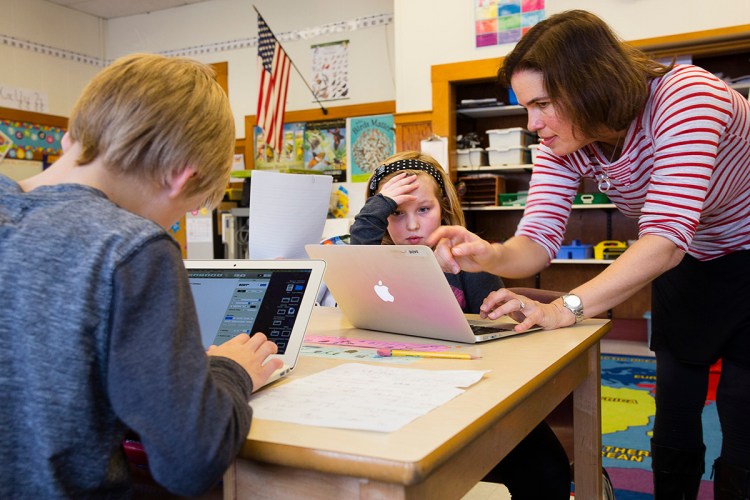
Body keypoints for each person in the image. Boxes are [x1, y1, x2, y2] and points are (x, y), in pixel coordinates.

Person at [427, 10, 750, 500]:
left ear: (591, 85)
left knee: (742, 410)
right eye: (524, 107)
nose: (532, 124)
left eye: (542, 104)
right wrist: (489, 254)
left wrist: (565, 307)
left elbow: (663, 238)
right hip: (686, 260)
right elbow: (535, 241)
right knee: (675, 409)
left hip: (741, 251)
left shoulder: (687, 97)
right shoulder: (565, 139)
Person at [0, 53, 284, 498]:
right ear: (178, 177)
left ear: (69, 139)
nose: (174, 222)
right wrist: (231, 371)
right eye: (184, 210)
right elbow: (192, 460)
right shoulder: (132, 249)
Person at [351, 151, 572, 499]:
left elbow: (496, 326)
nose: (411, 226)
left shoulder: (468, 258)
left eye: (423, 210)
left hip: (470, 397)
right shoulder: (374, 260)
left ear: (445, 211)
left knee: (547, 469)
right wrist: (376, 207)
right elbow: (356, 256)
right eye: (395, 212)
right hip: (396, 398)